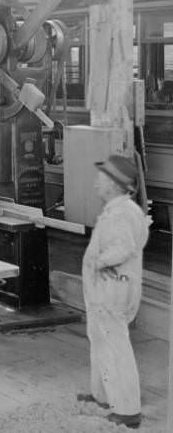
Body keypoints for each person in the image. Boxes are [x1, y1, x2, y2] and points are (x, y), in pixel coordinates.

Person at [78, 155, 150, 429]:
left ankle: (128, 410)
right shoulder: (119, 209)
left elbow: (124, 248)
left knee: (114, 346)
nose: (96, 181)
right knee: (100, 341)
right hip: (107, 288)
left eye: (101, 177)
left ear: (112, 184)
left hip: (113, 288)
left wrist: (99, 261)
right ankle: (103, 396)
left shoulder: (121, 213)